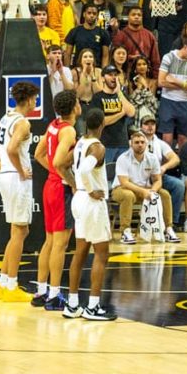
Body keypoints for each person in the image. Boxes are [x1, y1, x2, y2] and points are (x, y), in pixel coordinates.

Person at [0, 81, 39, 303]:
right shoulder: (23, 123)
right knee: (19, 232)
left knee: (19, 231)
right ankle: (12, 285)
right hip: (16, 179)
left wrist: (2, 167)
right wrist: (20, 170)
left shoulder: (6, 119)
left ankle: (3, 282)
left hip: (6, 176)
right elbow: (12, 149)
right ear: (31, 98)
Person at [64, 107, 117, 320]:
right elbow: (85, 170)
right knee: (102, 253)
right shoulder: (98, 147)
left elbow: (60, 164)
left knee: (80, 252)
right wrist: (89, 188)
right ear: (102, 124)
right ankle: (93, 307)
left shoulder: (79, 143)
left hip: (79, 200)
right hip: (92, 202)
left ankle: (73, 304)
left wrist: (75, 185)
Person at [31, 90, 78, 309]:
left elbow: (38, 155)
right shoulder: (68, 131)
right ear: (75, 107)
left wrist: (54, 172)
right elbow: (60, 162)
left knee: (49, 241)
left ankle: (41, 291)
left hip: (50, 185)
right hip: (60, 189)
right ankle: (55, 295)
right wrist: (73, 183)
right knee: (61, 243)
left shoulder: (53, 125)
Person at [112, 130, 182, 244]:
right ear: (131, 143)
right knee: (128, 195)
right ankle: (125, 231)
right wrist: (144, 192)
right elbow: (124, 182)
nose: (140, 145)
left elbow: (158, 180)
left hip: (144, 189)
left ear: (146, 144)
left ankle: (168, 229)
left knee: (164, 194)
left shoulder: (152, 158)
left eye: (142, 142)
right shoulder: (123, 158)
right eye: (137, 142)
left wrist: (153, 191)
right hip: (121, 189)